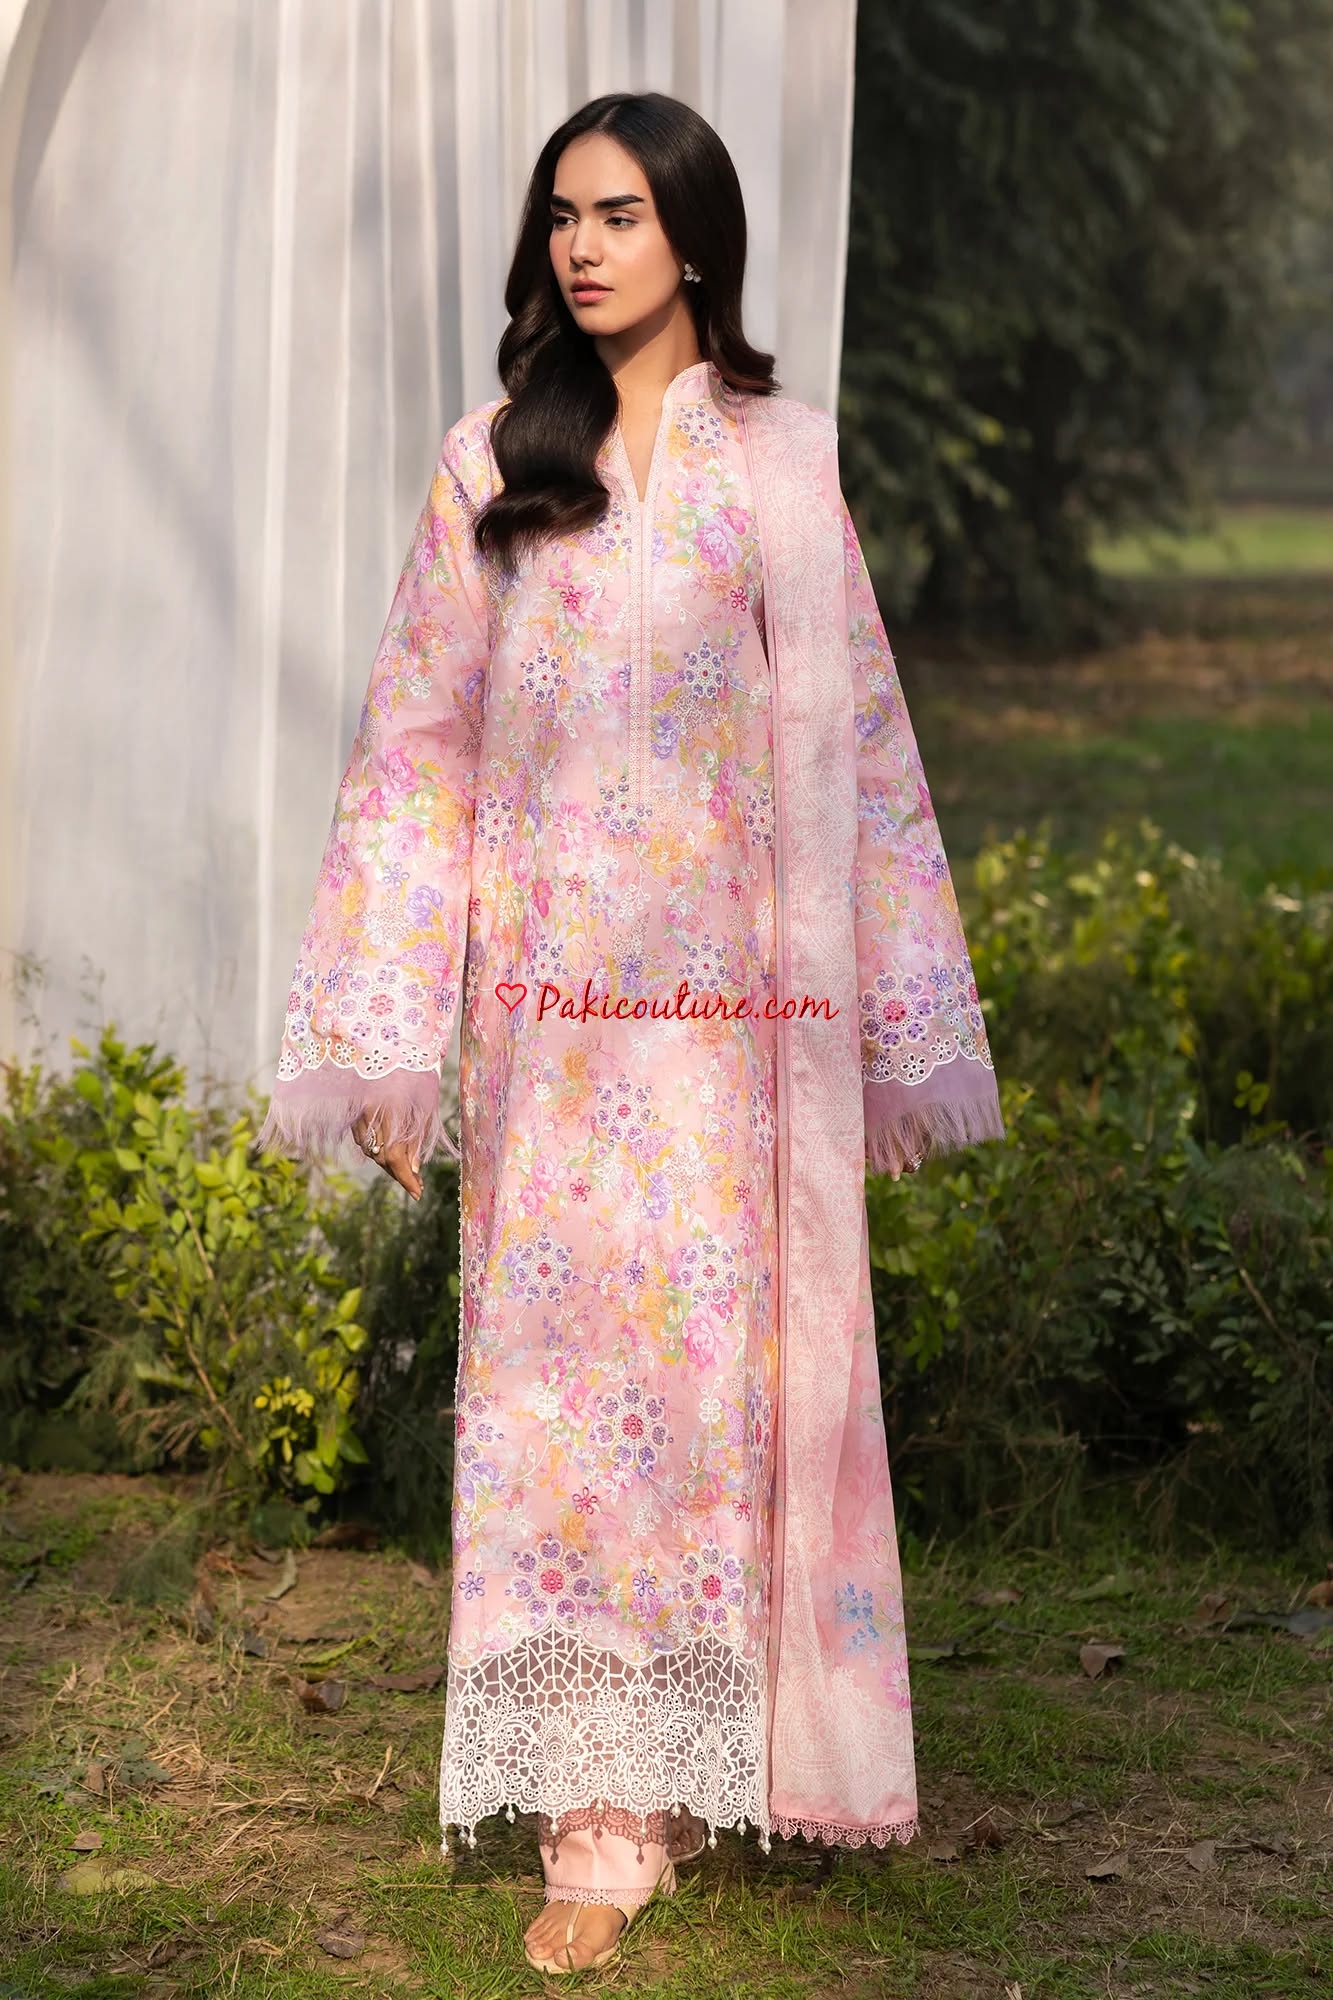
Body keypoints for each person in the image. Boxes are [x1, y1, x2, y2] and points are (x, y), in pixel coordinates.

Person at [255, 89, 1004, 1977]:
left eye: (620, 215)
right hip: (554, 1035)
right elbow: (414, 750)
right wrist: (386, 1032)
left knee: (704, 1399)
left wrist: (896, 1030)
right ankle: (593, 1811)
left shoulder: (782, 465)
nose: (584, 247)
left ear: (693, 238)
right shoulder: (493, 461)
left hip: (731, 1036)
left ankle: (697, 1762)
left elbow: (860, 744)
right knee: (561, 1403)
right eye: (562, 217)